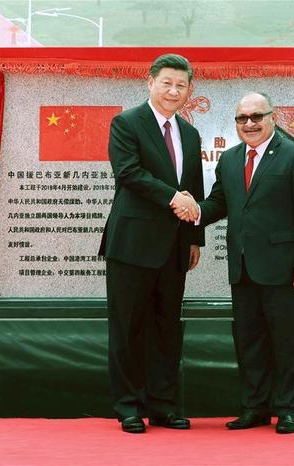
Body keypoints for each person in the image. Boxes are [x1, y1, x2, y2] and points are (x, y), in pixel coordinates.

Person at [174, 92, 294, 434]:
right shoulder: (229, 159)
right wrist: (192, 209)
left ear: (272, 117)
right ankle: (254, 407)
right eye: (242, 118)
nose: (250, 124)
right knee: (249, 340)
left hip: (285, 269)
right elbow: (218, 204)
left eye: (257, 116)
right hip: (242, 269)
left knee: (287, 341)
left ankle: (289, 409)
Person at [98, 54, 204, 434]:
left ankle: (163, 406)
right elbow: (129, 173)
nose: (174, 91)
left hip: (175, 248)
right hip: (132, 245)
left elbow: (195, 188)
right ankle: (128, 407)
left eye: (181, 85)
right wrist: (172, 197)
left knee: (166, 328)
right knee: (128, 327)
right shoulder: (127, 123)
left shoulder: (190, 134)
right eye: (167, 83)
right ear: (151, 82)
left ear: (189, 90)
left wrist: (194, 238)